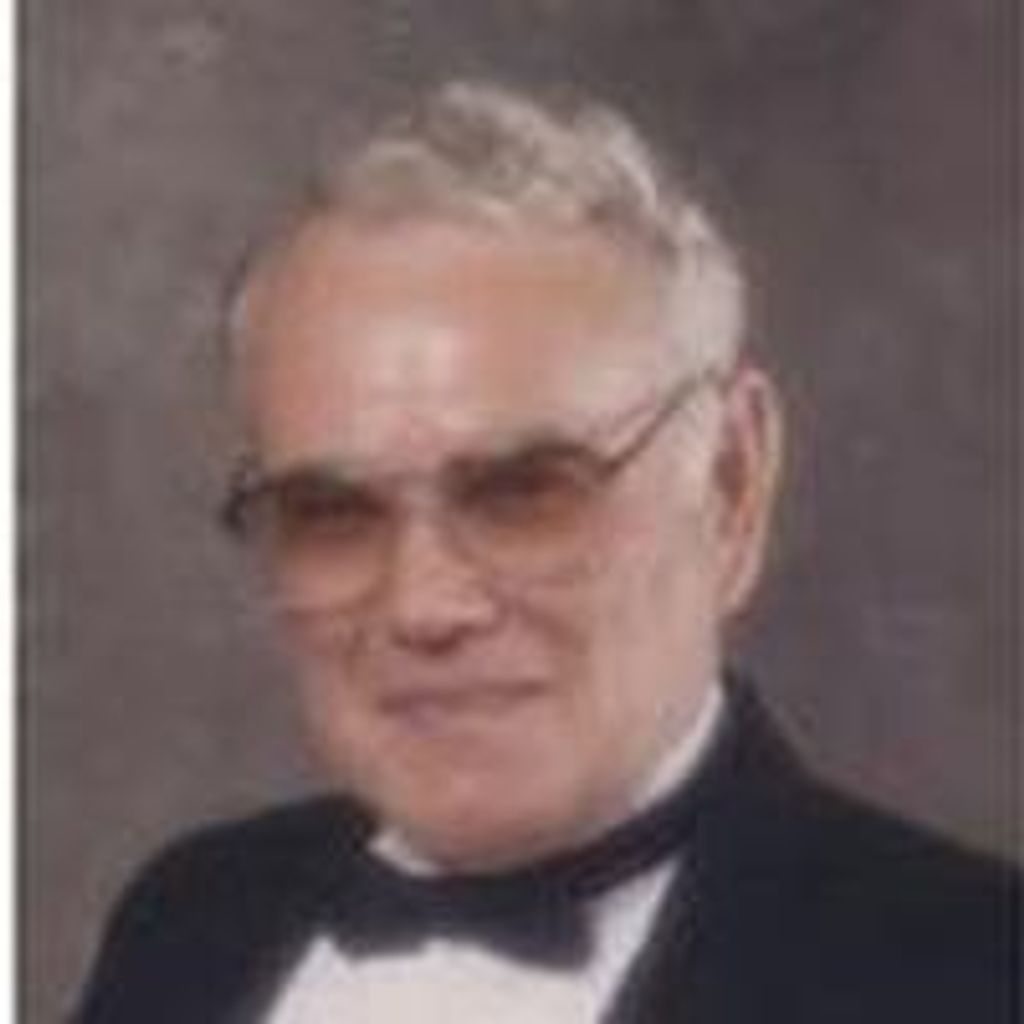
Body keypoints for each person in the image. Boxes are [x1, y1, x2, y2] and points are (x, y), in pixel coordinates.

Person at [73, 81, 1018, 1023]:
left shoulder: (981, 974)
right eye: (332, 513)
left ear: (732, 485)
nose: (424, 606)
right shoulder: (188, 921)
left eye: (523, 494)